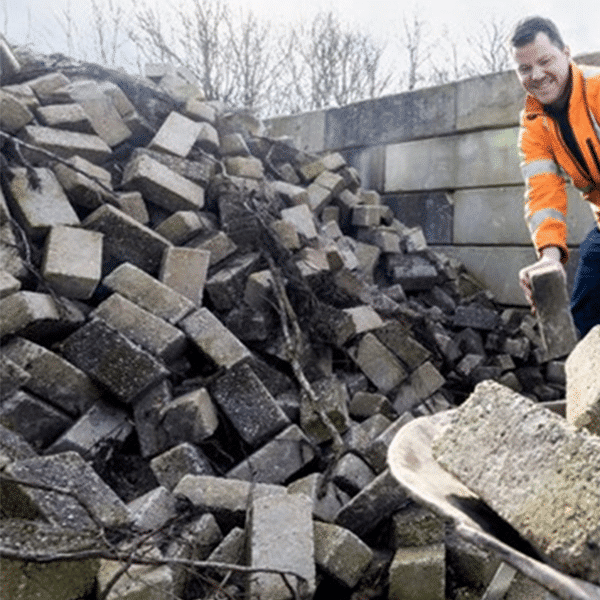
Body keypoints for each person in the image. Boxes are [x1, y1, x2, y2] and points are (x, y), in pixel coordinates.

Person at [510, 16, 600, 338]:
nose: (536, 75)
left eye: (545, 61)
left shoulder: (597, 88)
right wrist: (549, 258)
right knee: (586, 314)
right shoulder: (534, 124)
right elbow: (543, 191)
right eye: (524, 69)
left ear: (566, 52)